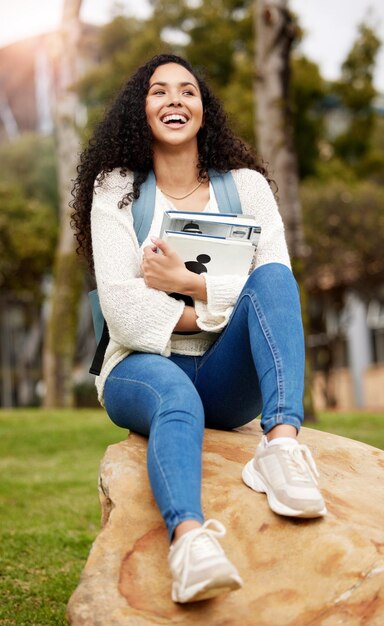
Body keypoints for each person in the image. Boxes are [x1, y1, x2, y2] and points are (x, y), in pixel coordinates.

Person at [71, 53, 326, 604]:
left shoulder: (249, 187)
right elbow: (126, 315)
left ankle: (280, 450)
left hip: (224, 377)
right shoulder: (116, 189)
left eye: (187, 91)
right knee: (175, 397)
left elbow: (275, 291)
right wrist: (221, 309)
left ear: (204, 110)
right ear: (140, 110)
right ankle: (190, 545)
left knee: (277, 279)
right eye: (159, 91)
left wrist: (192, 283)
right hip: (140, 368)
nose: (174, 101)